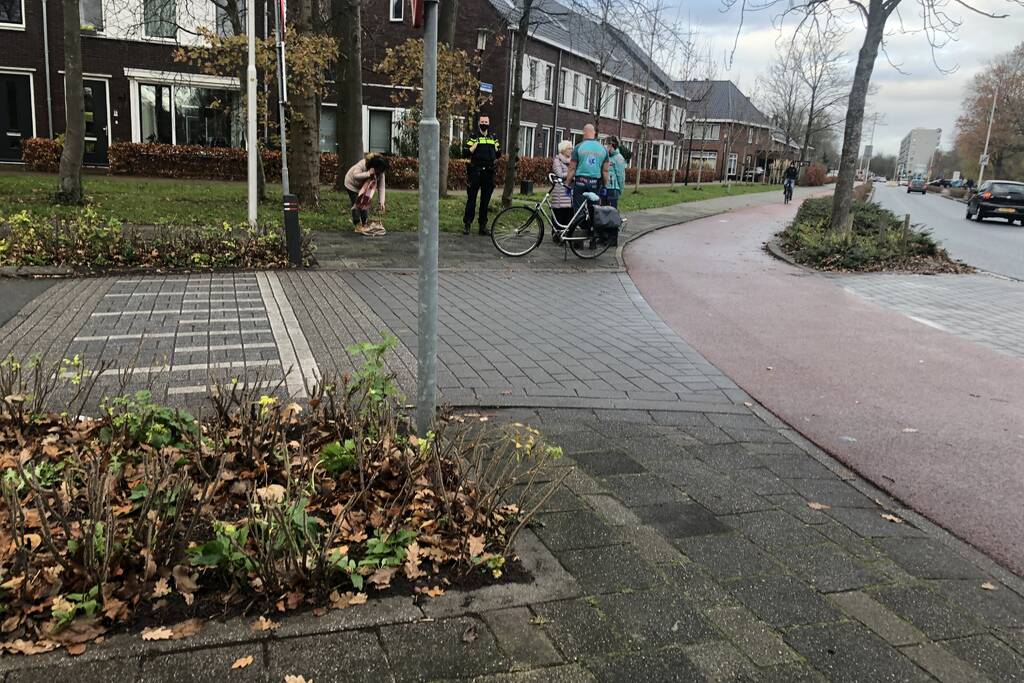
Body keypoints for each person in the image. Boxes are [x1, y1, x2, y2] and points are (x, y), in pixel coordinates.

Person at [564, 124, 609, 228]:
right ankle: (592, 235)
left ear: (584, 133)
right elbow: (605, 171)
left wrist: (567, 183)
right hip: (595, 183)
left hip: (580, 182)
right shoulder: (603, 149)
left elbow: (572, 168)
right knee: (594, 209)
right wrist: (605, 186)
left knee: (578, 209)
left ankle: (578, 236)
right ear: (594, 133)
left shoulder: (578, 147)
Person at [463, 115, 501, 235]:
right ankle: (467, 225)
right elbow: (465, 152)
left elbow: (498, 154)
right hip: (475, 171)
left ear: (489, 123)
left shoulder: (493, 137)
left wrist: (496, 149)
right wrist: (474, 146)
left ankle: (482, 226)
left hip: (488, 173)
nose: (484, 124)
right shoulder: (473, 137)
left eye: (486, 122)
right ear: (479, 123)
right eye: (482, 122)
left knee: (485, 201)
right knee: (471, 199)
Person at [344, 153, 388, 236]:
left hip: (365, 187)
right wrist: (368, 173)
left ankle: (364, 223)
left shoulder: (381, 172)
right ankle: (357, 224)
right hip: (352, 184)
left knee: (365, 204)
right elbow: (355, 175)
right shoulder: (362, 164)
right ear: (373, 166)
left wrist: (381, 202)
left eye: (381, 171)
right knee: (357, 203)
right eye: (378, 171)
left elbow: (381, 187)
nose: (379, 173)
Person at [551, 140, 574, 228]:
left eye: (571, 148)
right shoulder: (557, 161)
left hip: (569, 192)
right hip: (560, 192)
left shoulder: (572, 161)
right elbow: (559, 174)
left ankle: (566, 233)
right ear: (563, 150)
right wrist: (571, 174)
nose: (571, 150)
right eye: (569, 148)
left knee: (569, 214)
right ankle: (557, 233)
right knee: (559, 214)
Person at [603, 136, 626, 209]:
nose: (605, 146)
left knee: (611, 212)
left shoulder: (619, 158)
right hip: (603, 188)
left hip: (613, 189)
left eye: (607, 144)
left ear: (611, 145)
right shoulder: (605, 156)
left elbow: (621, 175)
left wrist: (620, 189)